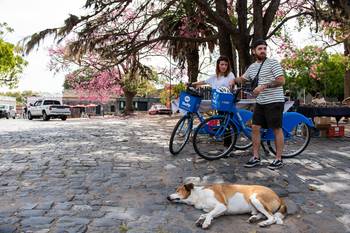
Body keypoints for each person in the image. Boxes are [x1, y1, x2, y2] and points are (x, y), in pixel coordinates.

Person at [235, 39, 285, 170]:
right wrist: (231, 80)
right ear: (254, 51)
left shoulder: (272, 63)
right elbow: (243, 78)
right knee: (255, 128)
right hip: (261, 102)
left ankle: (278, 159)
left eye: (264, 48)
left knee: (276, 129)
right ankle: (256, 157)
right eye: (260, 49)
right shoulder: (252, 67)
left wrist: (264, 86)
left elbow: (281, 80)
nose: (263, 51)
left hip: (274, 101)